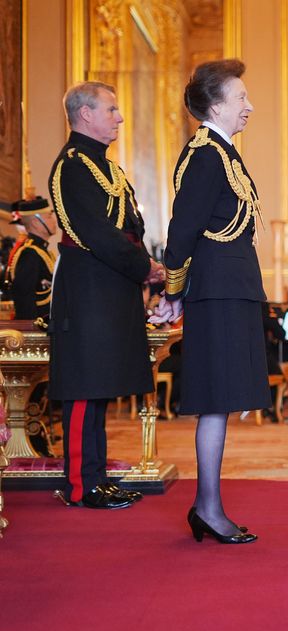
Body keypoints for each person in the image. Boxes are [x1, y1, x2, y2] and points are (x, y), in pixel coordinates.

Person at [151, 59, 265, 543]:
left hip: (230, 288)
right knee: (215, 403)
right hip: (215, 291)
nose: (249, 105)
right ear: (216, 105)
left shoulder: (224, 152)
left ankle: (209, 505)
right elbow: (183, 229)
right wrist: (173, 292)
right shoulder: (203, 154)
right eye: (241, 98)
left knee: (221, 403)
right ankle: (209, 508)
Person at [47, 81, 163, 509]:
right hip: (88, 289)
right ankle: (80, 485)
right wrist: (144, 267)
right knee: (82, 388)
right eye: (111, 109)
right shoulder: (72, 166)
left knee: (99, 388)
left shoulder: (107, 167)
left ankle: (98, 477)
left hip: (111, 289)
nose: (119, 117)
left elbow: (130, 224)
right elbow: (96, 233)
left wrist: (143, 266)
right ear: (85, 114)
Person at [1, 197, 57, 321]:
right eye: (49, 217)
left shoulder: (42, 251)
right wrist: (31, 331)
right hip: (38, 330)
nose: (54, 221)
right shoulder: (30, 253)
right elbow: (23, 297)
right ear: (36, 223)